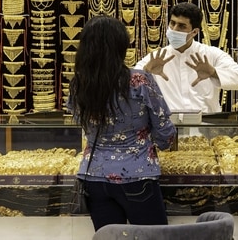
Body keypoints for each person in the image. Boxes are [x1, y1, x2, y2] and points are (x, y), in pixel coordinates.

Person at [67, 15, 176, 231]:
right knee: (152, 237)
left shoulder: (79, 84)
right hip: (137, 174)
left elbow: (81, 122)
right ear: (121, 46)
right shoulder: (140, 80)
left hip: (94, 176)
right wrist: (160, 144)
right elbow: (165, 130)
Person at [135, 2, 238, 114]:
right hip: (168, 128)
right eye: (172, 23)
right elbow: (128, 85)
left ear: (194, 32)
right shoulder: (156, 58)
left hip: (205, 128)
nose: (174, 29)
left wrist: (213, 72)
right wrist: (146, 71)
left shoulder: (211, 54)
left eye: (181, 26)